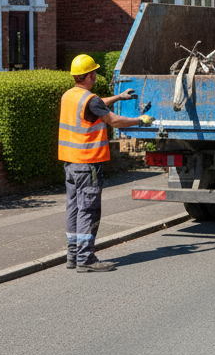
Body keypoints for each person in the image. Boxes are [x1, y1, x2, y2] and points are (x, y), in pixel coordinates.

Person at [59, 54, 154, 272]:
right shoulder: (90, 100)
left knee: (73, 208)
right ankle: (86, 260)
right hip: (88, 163)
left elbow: (97, 105)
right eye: (94, 73)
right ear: (90, 75)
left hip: (71, 163)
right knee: (88, 210)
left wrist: (119, 96)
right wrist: (140, 120)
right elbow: (112, 119)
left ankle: (73, 256)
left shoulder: (70, 96)